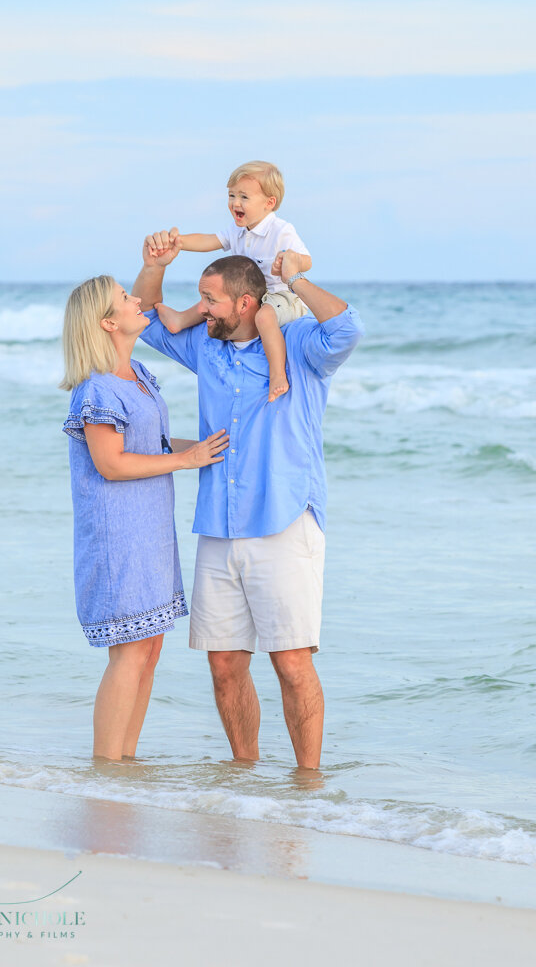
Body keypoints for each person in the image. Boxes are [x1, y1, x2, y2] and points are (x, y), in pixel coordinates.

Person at [131, 243, 364, 770]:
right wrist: (156, 265)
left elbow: (349, 328)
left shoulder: (299, 345)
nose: (202, 310)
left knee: (292, 661)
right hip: (218, 523)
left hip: (284, 520)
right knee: (224, 664)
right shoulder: (206, 346)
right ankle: (245, 776)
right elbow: (145, 318)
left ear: (244, 304)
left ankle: (308, 782)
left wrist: (296, 280)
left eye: (210, 300)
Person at [60, 275, 229, 761]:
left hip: (150, 529)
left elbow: (149, 447)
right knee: (131, 652)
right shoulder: (97, 390)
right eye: (126, 299)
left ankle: (123, 763)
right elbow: (111, 464)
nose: (139, 300)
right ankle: (105, 766)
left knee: (149, 649)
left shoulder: (139, 376)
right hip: (119, 535)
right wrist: (186, 461)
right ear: (108, 322)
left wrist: (205, 450)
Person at [150, 161, 312, 402]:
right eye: (232, 195)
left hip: (280, 296)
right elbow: (209, 241)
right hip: (249, 294)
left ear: (269, 203)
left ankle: (277, 373)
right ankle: (180, 320)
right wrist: (179, 242)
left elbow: (306, 260)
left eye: (244, 197)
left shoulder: (281, 231)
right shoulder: (239, 230)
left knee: (264, 316)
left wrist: (290, 260)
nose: (236, 203)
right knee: (215, 300)